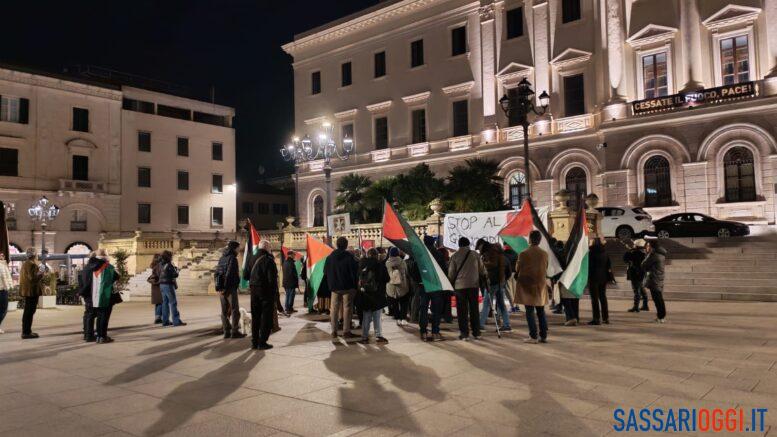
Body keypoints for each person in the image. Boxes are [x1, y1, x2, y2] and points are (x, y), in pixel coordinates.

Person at [448, 237, 487, 341]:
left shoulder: (454, 256)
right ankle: (476, 332)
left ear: (459, 245)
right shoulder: (475, 255)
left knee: (462, 311)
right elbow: (482, 269)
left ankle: (464, 334)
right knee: (474, 309)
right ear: (468, 244)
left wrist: (450, 284)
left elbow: (451, 273)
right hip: (473, 285)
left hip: (460, 287)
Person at [515, 231, 549, 344]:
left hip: (527, 285)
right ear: (539, 240)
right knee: (541, 311)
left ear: (530, 239)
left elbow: (517, 269)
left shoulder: (523, 253)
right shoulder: (544, 254)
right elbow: (546, 268)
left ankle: (533, 336)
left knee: (529, 311)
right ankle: (543, 335)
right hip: (540, 285)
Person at [81, 249, 121, 343]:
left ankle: (88, 335)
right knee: (103, 316)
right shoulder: (107, 266)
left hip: (90, 296)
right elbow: (116, 277)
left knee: (89, 315)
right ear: (105, 257)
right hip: (104, 296)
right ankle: (101, 336)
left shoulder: (87, 266)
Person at [325, 237, 359, 339]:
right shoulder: (349, 257)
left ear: (336, 244)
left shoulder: (330, 257)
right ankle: (346, 331)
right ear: (346, 245)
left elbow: (325, 272)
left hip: (334, 287)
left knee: (334, 309)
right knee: (347, 308)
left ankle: (334, 331)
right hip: (347, 286)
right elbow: (355, 272)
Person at [247, 240, 279, 349]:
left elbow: (246, 274)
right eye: (270, 247)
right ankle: (262, 342)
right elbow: (272, 280)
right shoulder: (268, 260)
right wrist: (275, 295)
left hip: (253, 290)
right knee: (266, 317)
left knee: (255, 316)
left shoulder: (251, 258)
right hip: (265, 291)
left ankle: (254, 341)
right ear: (267, 247)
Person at [358, 248, 389, 344]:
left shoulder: (361, 265)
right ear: (376, 255)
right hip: (377, 294)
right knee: (377, 316)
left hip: (365, 294)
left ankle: (364, 336)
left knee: (366, 315)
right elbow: (386, 278)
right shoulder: (380, 265)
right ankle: (378, 335)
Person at [215, 240, 244, 339]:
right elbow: (230, 274)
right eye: (238, 248)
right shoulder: (232, 258)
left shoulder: (222, 258)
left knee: (223, 311)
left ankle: (226, 331)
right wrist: (226, 287)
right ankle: (235, 331)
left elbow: (217, 273)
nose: (239, 249)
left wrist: (219, 287)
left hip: (221, 288)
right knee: (234, 309)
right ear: (234, 248)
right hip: (229, 287)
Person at [481, 242, 511, 332]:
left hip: (492, 283)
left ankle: (481, 324)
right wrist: (504, 280)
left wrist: (483, 263)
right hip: (500, 282)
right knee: (501, 305)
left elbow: (491, 265)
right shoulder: (504, 258)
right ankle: (506, 324)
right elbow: (508, 272)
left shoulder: (493, 256)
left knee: (486, 304)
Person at [19, 248, 43, 339]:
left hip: (28, 291)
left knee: (28, 312)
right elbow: (33, 278)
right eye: (37, 254)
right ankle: (26, 332)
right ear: (35, 255)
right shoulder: (32, 264)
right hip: (31, 292)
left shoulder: (25, 263)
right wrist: (41, 272)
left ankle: (27, 331)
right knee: (29, 312)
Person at [587, 238, 612, 325]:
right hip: (603, 277)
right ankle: (606, 318)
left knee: (594, 299)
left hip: (594, 278)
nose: (589, 243)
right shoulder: (605, 252)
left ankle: (596, 318)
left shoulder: (591, 253)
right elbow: (609, 265)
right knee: (603, 297)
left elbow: (589, 266)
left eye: (590, 242)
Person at [642, 240, 668, 323]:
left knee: (657, 299)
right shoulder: (660, 254)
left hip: (654, 279)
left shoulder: (653, 255)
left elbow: (643, 265)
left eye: (648, 246)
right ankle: (661, 316)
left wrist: (648, 255)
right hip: (658, 278)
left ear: (652, 247)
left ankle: (661, 317)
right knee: (659, 299)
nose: (647, 248)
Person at [159, 250, 186, 327]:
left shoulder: (161, 264)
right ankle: (176, 321)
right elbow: (175, 275)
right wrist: (177, 270)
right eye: (171, 256)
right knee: (173, 302)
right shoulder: (169, 265)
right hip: (168, 284)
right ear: (169, 257)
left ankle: (165, 321)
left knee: (165, 303)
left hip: (162, 284)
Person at [385, 247, 410, 326]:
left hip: (391, 286)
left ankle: (397, 318)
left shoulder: (387, 263)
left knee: (394, 303)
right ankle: (403, 318)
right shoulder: (402, 262)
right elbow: (406, 272)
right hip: (402, 285)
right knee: (404, 302)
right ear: (398, 253)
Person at [624, 239, 649, 312]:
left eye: (634, 244)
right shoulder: (644, 252)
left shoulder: (634, 253)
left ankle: (636, 307)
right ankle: (645, 305)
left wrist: (629, 251)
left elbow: (625, 259)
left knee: (636, 290)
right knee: (641, 288)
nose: (633, 245)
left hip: (635, 273)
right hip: (641, 273)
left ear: (637, 246)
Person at [79, 252, 99, 342]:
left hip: (86, 293)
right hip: (91, 293)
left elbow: (81, 280)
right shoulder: (94, 267)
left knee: (87, 314)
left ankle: (86, 333)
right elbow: (91, 282)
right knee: (91, 314)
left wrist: (81, 291)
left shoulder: (86, 267)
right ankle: (89, 335)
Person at [502, 244, 520, 313]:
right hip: (515, 273)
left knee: (509, 291)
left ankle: (513, 307)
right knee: (515, 290)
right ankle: (517, 306)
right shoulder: (515, 253)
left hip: (508, 274)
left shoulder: (504, 254)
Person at [282, 250, 300, 315]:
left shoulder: (285, 262)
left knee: (287, 295)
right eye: (294, 255)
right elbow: (293, 274)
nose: (294, 256)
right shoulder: (291, 263)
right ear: (291, 255)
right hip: (291, 282)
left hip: (286, 282)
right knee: (291, 296)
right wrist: (296, 282)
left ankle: (287, 307)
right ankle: (289, 308)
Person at [147, 254, 163, 324]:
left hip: (154, 287)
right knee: (160, 302)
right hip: (159, 286)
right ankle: (158, 318)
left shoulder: (154, 266)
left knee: (158, 303)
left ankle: (157, 317)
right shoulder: (159, 266)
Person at [0, 252, 13, 334]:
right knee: (3, 309)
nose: (3, 256)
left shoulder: (3, 264)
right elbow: (4, 277)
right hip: (2, 290)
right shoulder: (1, 266)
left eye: (3, 255)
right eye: (1, 255)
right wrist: (8, 287)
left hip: (2, 289)